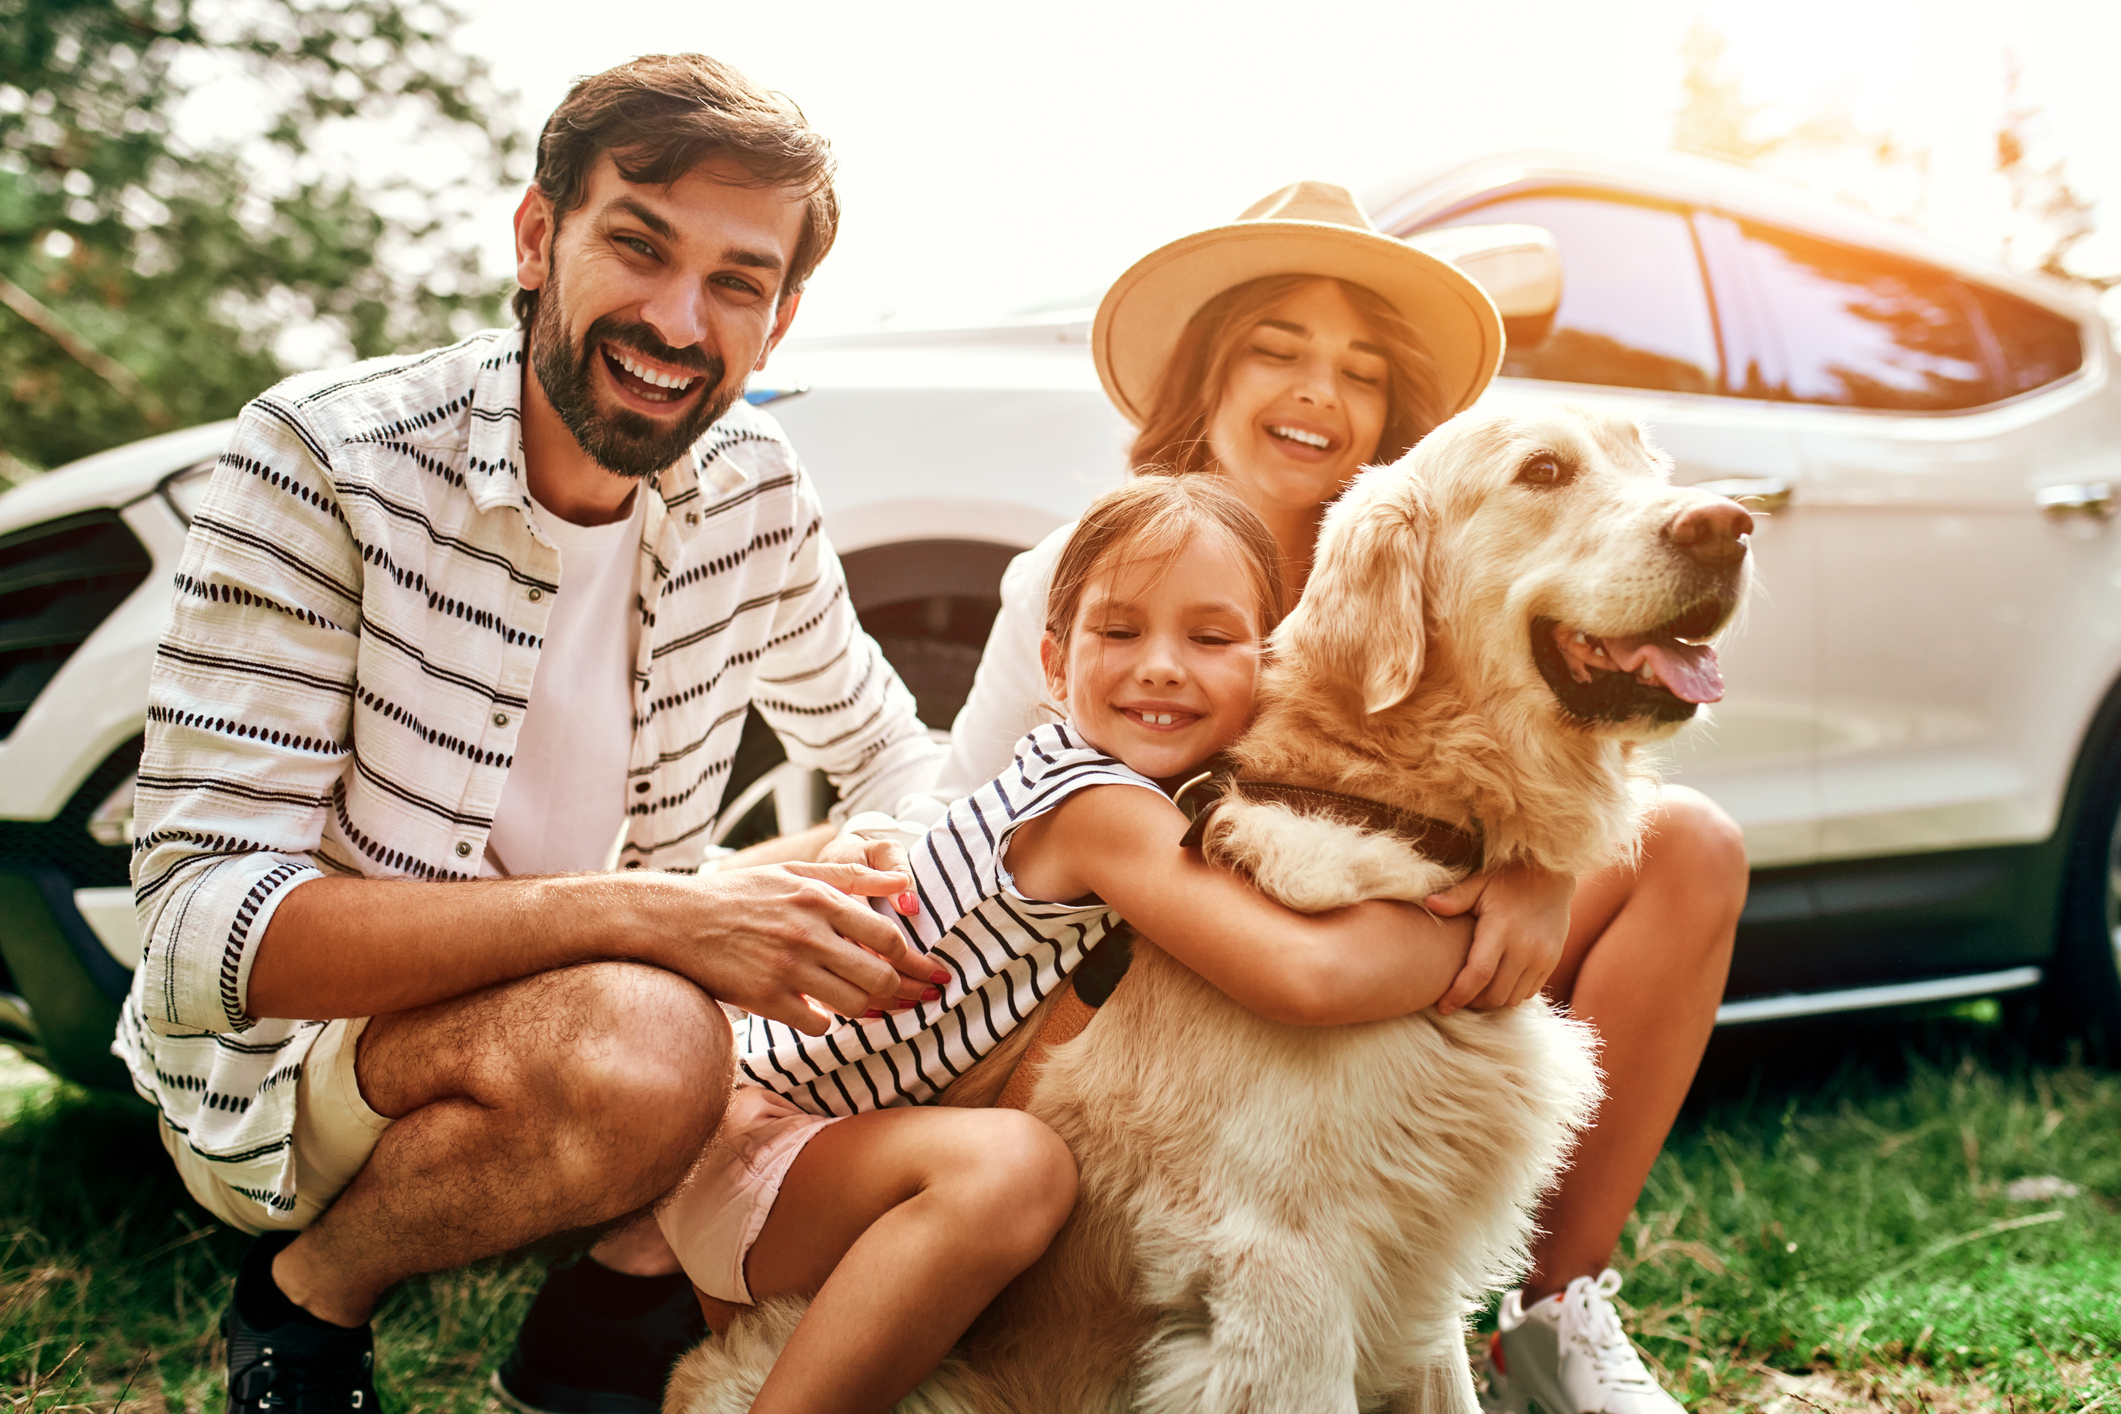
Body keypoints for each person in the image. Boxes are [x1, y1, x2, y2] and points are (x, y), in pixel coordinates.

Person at [118, 54, 958, 1414]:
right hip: (313, 1056)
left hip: (591, 1030)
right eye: (639, 244)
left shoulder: (752, 482)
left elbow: (889, 749)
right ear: (535, 236)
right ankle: (306, 1295)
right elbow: (205, 931)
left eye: (736, 282)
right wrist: (665, 914)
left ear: (780, 319)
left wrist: (893, 889)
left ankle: (622, 1289)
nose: (678, 320)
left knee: (957, 951)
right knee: (647, 1044)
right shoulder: (326, 457)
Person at [893, 182, 1748, 1414]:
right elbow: (970, 825)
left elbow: (1523, 758)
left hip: (1369, 911)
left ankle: (1553, 1317)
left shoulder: (1443, 541)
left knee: (1691, 842)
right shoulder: (1089, 572)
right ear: (1206, 381)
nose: (1318, 391)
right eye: (1276, 350)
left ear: (1390, 410)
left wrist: (1537, 866)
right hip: (1139, 982)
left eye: (1358, 368)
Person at [663, 473, 1483, 1413]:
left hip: (832, 1136)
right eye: (1120, 631)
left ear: (1268, 664)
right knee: (1016, 1170)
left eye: (1210, 638)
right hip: (761, 1141)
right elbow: (1300, 976)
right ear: (1053, 667)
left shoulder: (1159, 788)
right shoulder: (1095, 808)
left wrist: (1512, 876)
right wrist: (1476, 948)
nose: (1163, 666)